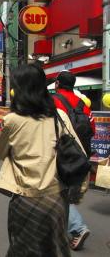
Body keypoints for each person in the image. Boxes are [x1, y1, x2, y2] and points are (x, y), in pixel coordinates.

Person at [0, 64, 85, 257]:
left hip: (24, 198)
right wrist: (79, 190)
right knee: (54, 250)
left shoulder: (12, 120)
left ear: (18, 90)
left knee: (22, 250)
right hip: (55, 199)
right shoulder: (58, 117)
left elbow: (0, 152)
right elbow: (79, 152)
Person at [53, 70, 94, 250]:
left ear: (57, 84)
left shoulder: (53, 101)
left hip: (62, 152)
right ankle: (68, 228)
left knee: (57, 190)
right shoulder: (83, 104)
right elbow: (91, 127)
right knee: (67, 191)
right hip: (80, 153)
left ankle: (77, 227)